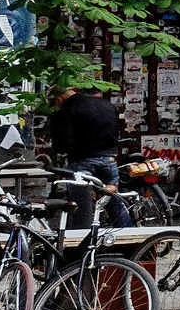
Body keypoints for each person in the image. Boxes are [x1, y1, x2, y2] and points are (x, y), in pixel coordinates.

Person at [47, 81, 130, 227]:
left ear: (59, 98)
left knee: (82, 210)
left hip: (82, 161)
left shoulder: (67, 110)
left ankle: (81, 246)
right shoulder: (106, 105)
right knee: (115, 204)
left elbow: (63, 144)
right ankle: (130, 240)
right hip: (108, 160)